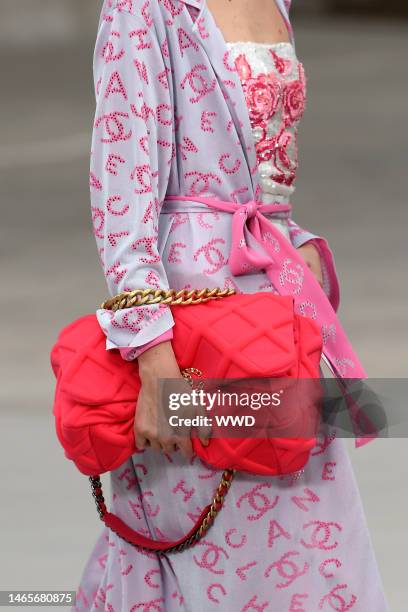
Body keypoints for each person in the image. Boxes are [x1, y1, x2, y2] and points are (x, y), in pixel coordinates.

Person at [73, 0, 389, 609]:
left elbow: (261, 174)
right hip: (193, 325)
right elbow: (124, 192)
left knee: (318, 555)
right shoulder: (144, 7)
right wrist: (152, 355)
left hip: (278, 317)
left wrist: (295, 243)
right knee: (209, 556)